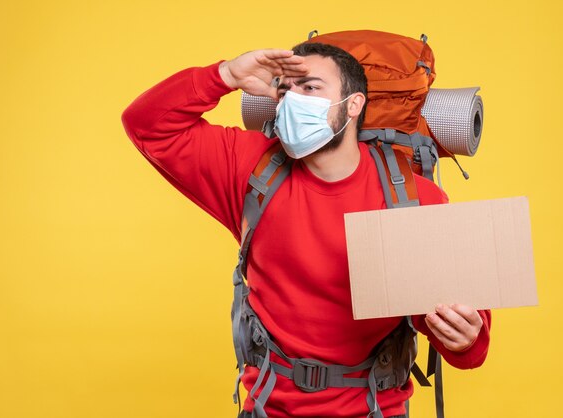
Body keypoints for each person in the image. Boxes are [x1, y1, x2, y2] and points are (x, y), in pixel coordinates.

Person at [121, 42, 491, 418]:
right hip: (270, 408)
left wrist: (465, 338)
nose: (292, 100)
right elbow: (146, 125)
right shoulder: (250, 169)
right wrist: (226, 75)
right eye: (284, 90)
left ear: (353, 104)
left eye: (310, 88)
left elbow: (470, 349)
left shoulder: (413, 198)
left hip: (375, 410)